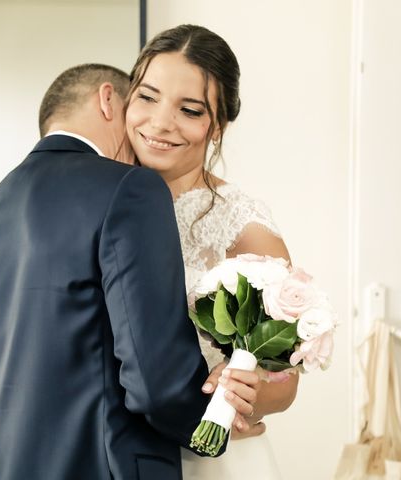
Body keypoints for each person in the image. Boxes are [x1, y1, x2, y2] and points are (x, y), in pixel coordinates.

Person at [0, 63, 258, 480]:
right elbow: (155, 383)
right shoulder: (129, 188)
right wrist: (212, 422)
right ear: (109, 100)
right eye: (140, 103)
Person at [124, 25, 300, 479]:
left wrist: (249, 391)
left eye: (189, 109)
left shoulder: (244, 225)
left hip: (213, 460)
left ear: (217, 125)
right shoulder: (98, 202)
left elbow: (287, 376)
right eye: (147, 97)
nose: (161, 122)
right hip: (119, 456)